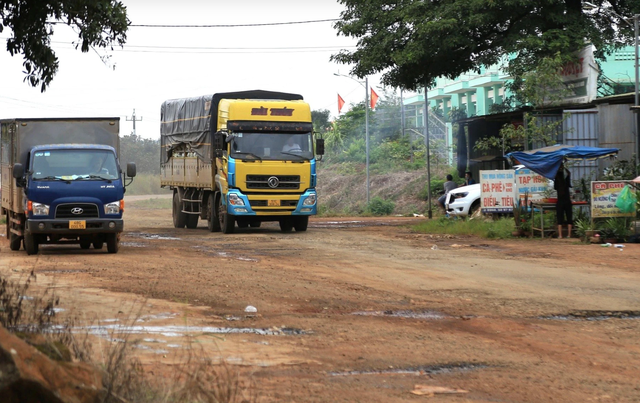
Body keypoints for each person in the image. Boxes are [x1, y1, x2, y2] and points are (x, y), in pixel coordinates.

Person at [554, 163, 572, 238]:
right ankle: (569, 235)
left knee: (560, 218)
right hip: (568, 201)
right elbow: (569, 173)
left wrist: (559, 168)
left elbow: (555, 187)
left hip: (560, 201)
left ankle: (560, 235)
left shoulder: (557, 181)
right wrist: (564, 167)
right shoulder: (566, 182)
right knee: (569, 218)